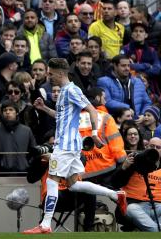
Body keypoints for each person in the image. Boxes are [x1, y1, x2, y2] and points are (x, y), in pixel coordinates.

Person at [23, 58, 127, 234]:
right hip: (69, 144)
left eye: (51, 73)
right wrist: (44, 109)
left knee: (52, 180)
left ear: (61, 73)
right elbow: (63, 117)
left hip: (66, 145)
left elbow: (93, 110)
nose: (49, 77)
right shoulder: (64, 91)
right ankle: (116, 195)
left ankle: (45, 225)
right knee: (73, 184)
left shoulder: (72, 89)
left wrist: (94, 134)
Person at [111, 137, 161, 232]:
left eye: (158, 147)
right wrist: (124, 167)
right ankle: (156, 232)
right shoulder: (135, 161)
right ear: (146, 147)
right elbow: (115, 183)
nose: (154, 149)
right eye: (152, 146)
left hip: (158, 206)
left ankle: (154, 231)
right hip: (136, 205)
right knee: (131, 209)